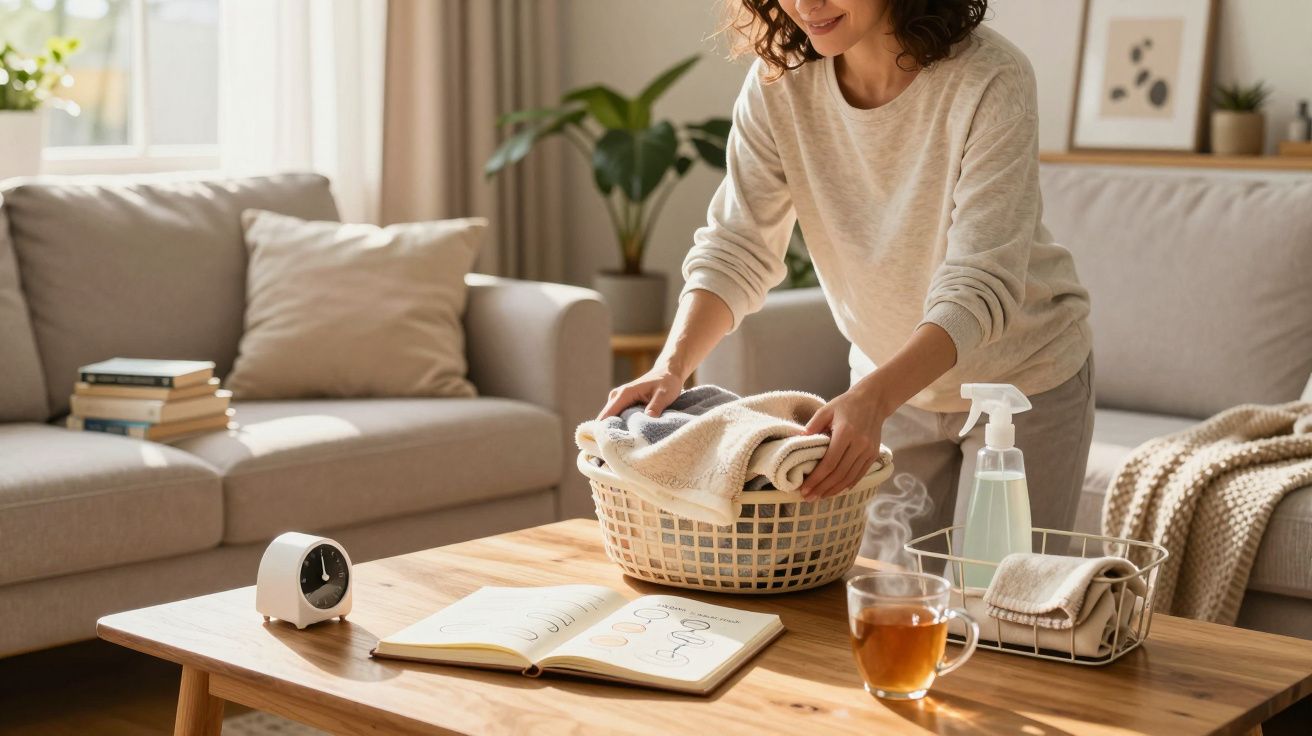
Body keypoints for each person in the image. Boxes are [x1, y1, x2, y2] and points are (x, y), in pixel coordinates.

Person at [597, 0, 1094, 548]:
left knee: (1000, 616)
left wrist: (875, 399)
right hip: (889, 390)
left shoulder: (990, 78)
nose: (807, 4)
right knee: (885, 603)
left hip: (1022, 387)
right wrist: (672, 367)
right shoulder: (779, 85)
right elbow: (736, 246)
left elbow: (980, 282)